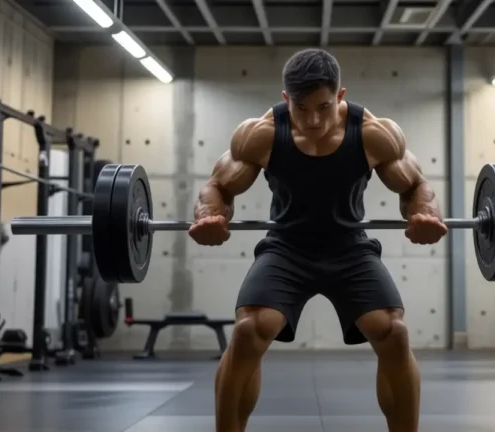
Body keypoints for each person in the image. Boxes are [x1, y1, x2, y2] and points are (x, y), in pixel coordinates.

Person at [189, 48, 448, 432]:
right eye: (301, 108)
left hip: (350, 249)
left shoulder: (374, 133)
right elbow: (217, 187)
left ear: (340, 96)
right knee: (249, 331)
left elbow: (416, 185)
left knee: (393, 332)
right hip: (286, 248)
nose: (313, 120)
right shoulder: (260, 134)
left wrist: (424, 215)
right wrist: (209, 216)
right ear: (285, 99)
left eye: (324, 107)